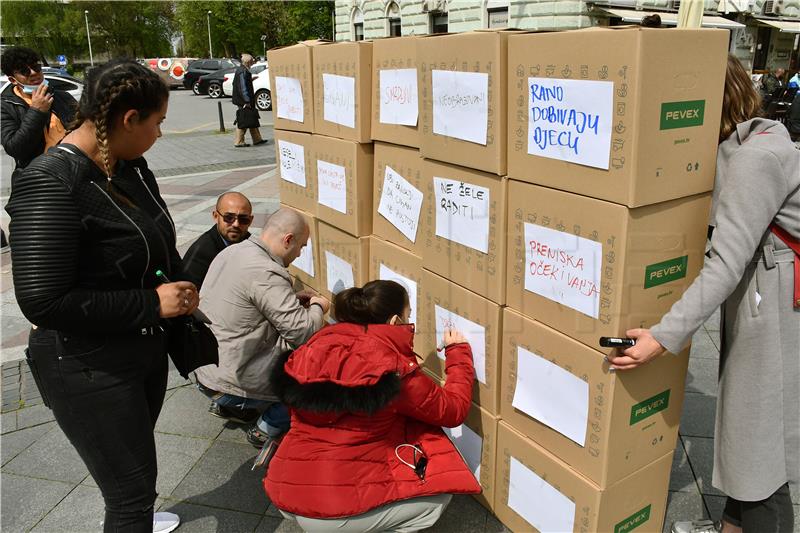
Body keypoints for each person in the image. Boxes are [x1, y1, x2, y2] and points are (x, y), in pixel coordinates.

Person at [608, 55, 799, 533]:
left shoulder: (754, 160)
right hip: (765, 295)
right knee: (745, 434)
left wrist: (660, 337)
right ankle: (731, 527)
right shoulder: (751, 143)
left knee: (760, 447)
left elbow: (726, 264)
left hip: (774, 305)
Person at [5, 59, 196, 533]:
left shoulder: (127, 165)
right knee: (130, 496)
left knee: (136, 473)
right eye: (158, 123)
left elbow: (149, 240)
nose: (160, 135)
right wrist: (152, 304)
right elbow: (43, 302)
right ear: (129, 119)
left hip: (137, 349)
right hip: (85, 366)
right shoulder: (50, 182)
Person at [265, 280, 481, 532]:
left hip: (287, 487)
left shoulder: (317, 344)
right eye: (408, 316)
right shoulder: (390, 367)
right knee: (438, 495)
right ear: (394, 322)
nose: (411, 324)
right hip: (332, 511)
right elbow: (452, 410)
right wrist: (458, 354)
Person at [194, 207, 330, 447]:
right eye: (301, 247)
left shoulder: (234, 251)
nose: (299, 254)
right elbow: (303, 333)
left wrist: (291, 301)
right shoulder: (266, 271)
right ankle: (266, 428)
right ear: (288, 240)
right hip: (231, 378)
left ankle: (231, 406)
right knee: (314, 375)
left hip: (206, 366)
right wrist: (318, 307)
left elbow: (245, 304)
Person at [1, 46, 77, 249]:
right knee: (48, 243)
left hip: (75, 177)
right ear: (12, 79)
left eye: (36, 67)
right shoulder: (5, 106)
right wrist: (36, 112)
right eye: (25, 71)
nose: (34, 73)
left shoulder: (62, 97)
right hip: (39, 184)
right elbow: (15, 147)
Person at [182, 191, 253, 289]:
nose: (236, 224)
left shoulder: (250, 243)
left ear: (250, 220)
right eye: (229, 218)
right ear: (216, 216)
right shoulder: (201, 253)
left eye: (243, 219)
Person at [231, 53, 267, 148]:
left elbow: (236, 83)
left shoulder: (241, 70)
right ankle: (239, 141)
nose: (253, 63)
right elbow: (243, 88)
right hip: (244, 100)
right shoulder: (243, 71)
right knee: (244, 119)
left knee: (252, 118)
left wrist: (250, 80)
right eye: (251, 61)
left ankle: (257, 139)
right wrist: (246, 101)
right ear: (248, 62)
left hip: (242, 99)